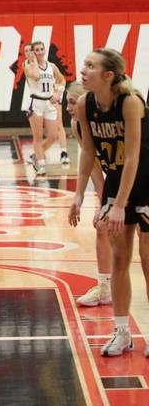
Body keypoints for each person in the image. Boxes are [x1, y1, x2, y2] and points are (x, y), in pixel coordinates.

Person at [69, 48, 149, 357]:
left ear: (108, 75)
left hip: (144, 181)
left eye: (90, 66)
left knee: (147, 259)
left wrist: (119, 205)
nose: (83, 69)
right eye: (84, 63)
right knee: (120, 260)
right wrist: (78, 195)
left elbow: (132, 157)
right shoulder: (85, 103)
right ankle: (122, 332)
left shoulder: (130, 102)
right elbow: (88, 152)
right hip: (119, 182)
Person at [66, 81, 111, 307]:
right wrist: (102, 201)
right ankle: (105, 287)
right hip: (115, 175)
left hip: (136, 174)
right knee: (102, 225)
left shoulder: (112, 117)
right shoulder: (77, 124)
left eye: (72, 102)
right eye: (67, 102)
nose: (67, 108)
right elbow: (92, 164)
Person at [24, 41, 66, 175]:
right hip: (36, 102)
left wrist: (58, 93)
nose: (41, 51)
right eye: (37, 49)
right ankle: (41, 165)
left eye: (42, 49)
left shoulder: (52, 66)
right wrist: (33, 60)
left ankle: (37, 154)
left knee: (53, 136)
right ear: (33, 51)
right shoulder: (28, 65)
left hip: (49, 103)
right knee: (38, 137)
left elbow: (61, 80)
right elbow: (36, 75)